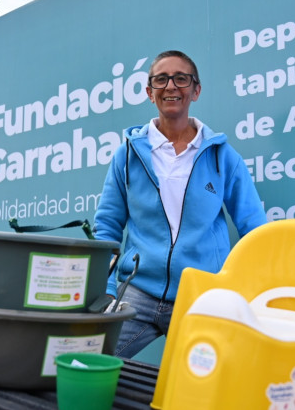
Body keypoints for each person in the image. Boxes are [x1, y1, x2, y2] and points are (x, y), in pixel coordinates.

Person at [93, 50, 267, 358]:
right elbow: (107, 226)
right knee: (90, 360)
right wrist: (106, 289)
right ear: (150, 92)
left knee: (211, 385)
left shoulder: (223, 156)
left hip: (200, 295)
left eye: (181, 78)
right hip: (137, 290)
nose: (171, 86)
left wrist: (245, 290)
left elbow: (254, 230)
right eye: (161, 79)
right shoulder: (127, 155)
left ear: (195, 91)